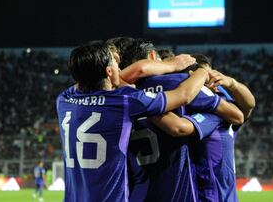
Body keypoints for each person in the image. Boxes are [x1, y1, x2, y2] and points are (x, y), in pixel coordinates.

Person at [56, 40, 210, 202]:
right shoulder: (124, 101)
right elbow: (183, 95)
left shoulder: (64, 100)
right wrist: (202, 72)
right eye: (115, 63)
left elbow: (89, 78)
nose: (120, 67)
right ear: (109, 71)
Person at [120, 39, 243, 202]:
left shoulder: (117, 95)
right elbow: (237, 115)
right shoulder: (183, 82)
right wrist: (202, 73)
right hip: (177, 190)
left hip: (133, 191)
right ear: (152, 55)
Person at [186, 54, 255, 202]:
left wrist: (233, 84)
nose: (211, 82)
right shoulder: (196, 107)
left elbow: (249, 105)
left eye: (212, 75)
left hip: (227, 194)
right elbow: (179, 128)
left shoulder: (223, 103)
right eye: (205, 77)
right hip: (207, 194)